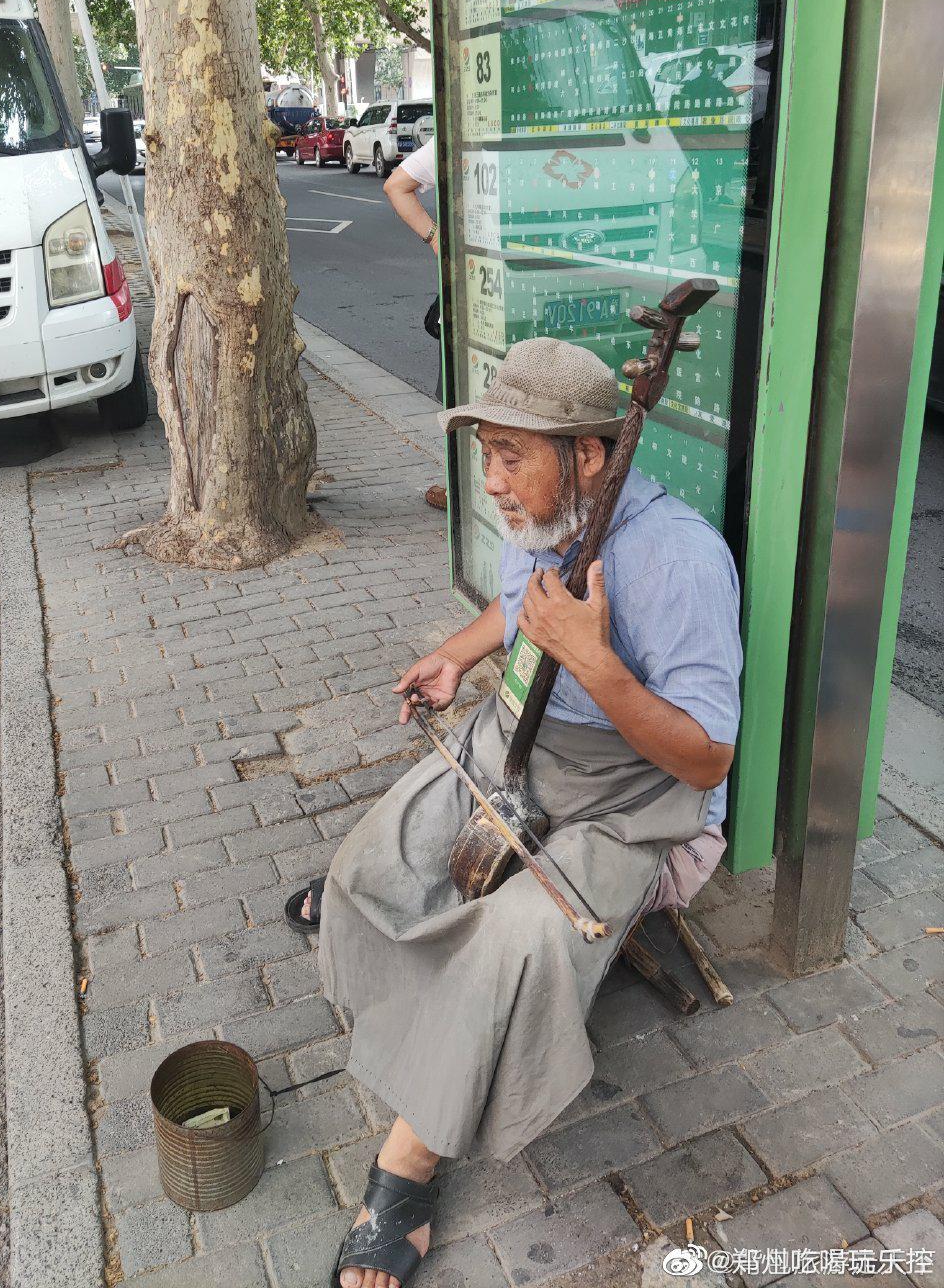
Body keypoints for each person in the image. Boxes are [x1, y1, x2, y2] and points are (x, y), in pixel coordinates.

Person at [286, 337, 743, 1288]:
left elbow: (706, 755)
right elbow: (516, 610)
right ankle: (404, 968)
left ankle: (406, 1169)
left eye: (510, 456)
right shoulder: (543, 517)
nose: (490, 481)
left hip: (631, 793)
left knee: (512, 943)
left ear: (587, 455)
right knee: (370, 861)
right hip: (513, 739)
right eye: (484, 453)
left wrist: (597, 663)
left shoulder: (680, 558)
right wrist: (459, 653)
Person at [383, 136, 447, 511]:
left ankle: (465, 484)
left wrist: (437, 237)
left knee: (466, 386)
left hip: (477, 279)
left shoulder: (461, 132)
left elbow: (397, 185)